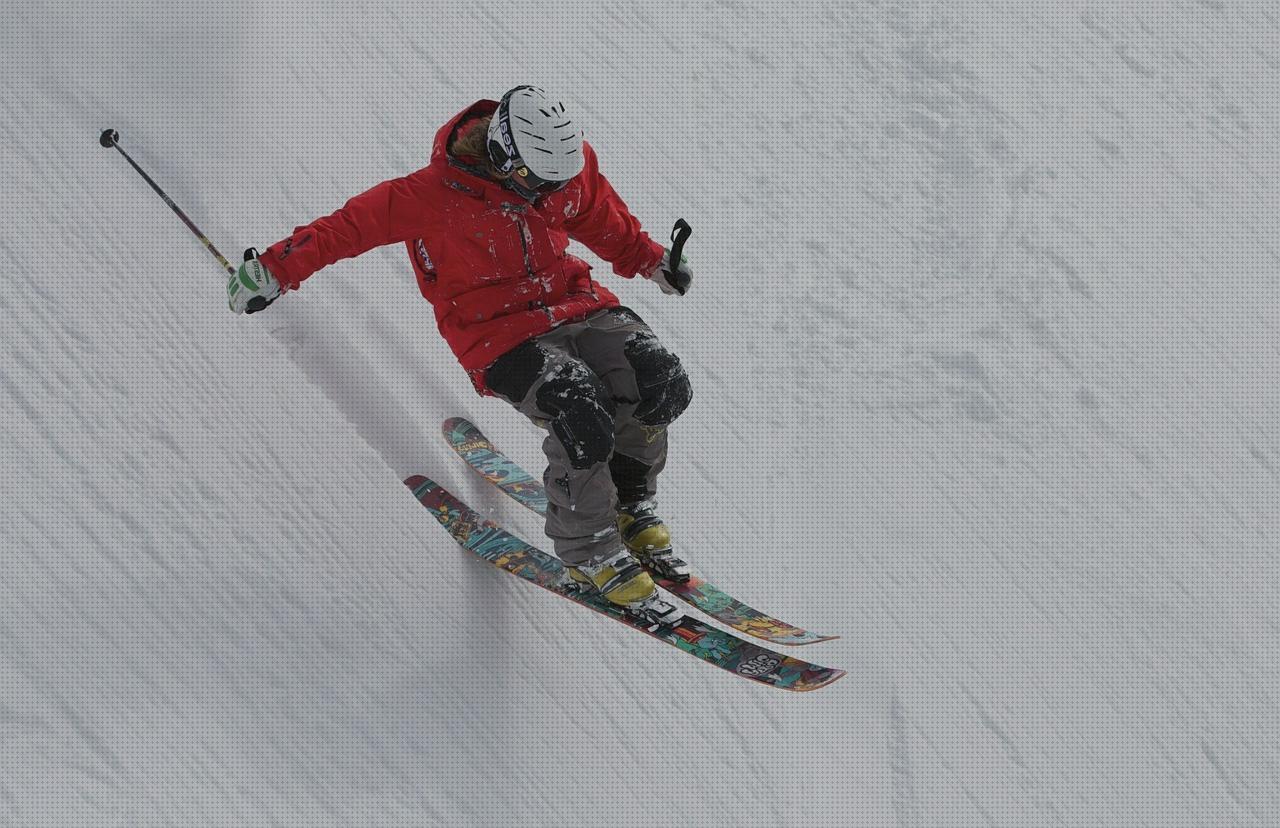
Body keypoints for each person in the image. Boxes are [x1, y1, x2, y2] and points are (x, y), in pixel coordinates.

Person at [228, 86, 693, 622]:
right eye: (537, 182)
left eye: (556, 183)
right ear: (502, 153)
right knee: (580, 408)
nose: (547, 194)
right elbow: (345, 230)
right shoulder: (428, 196)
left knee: (660, 381)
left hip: (574, 304)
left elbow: (595, 214)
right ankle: (589, 548)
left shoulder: (561, 168)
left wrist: (650, 259)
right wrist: (274, 269)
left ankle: (630, 503)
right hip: (497, 334)